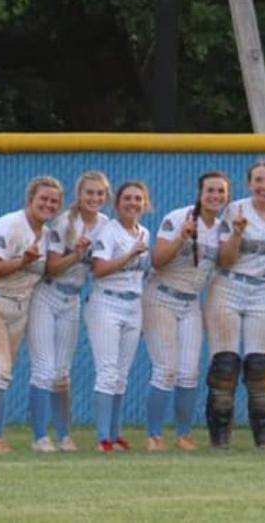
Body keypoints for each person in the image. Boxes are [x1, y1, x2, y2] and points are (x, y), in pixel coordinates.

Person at [0, 176, 64, 453]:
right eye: (43, 198)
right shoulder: (11, 225)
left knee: (3, 372)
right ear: (30, 200)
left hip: (16, 307)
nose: (48, 204)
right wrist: (23, 261)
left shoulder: (48, 234)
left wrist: (76, 254)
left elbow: (49, 270)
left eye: (54, 201)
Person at [204, 159, 265, 449]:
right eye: (259, 180)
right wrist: (238, 233)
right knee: (225, 364)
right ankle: (220, 439)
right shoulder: (235, 209)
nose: (264, 186)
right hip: (229, 283)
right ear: (249, 184)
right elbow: (224, 259)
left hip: (263, 288)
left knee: (260, 366)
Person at [143, 171, 230, 452]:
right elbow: (157, 261)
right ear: (200, 192)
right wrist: (182, 238)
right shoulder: (179, 217)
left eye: (221, 192)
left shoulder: (222, 227)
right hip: (162, 297)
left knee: (189, 372)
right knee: (165, 370)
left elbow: (225, 262)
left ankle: (184, 434)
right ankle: (154, 435)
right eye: (210, 191)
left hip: (191, 301)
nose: (215, 196)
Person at [28, 170, 111, 452]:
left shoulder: (106, 224)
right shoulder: (65, 222)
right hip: (48, 295)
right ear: (79, 194)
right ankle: (40, 436)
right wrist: (76, 254)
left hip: (73, 299)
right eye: (89, 192)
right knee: (44, 369)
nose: (94, 198)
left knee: (62, 372)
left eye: (100, 193)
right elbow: (51, 267)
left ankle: (64, 435)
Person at [84, 180, 151, 452]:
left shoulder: (143, 232)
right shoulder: (108, 231)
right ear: (117, 203)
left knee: (122, 374)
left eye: (138, 199)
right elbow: (98, 269)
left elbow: (142, 275)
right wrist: (129, 253)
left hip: (133, 305)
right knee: (108, 372)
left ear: (145, 204)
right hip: (106, 304)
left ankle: (114, 433)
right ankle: (103, 438)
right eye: (127, 199)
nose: (133, 203)